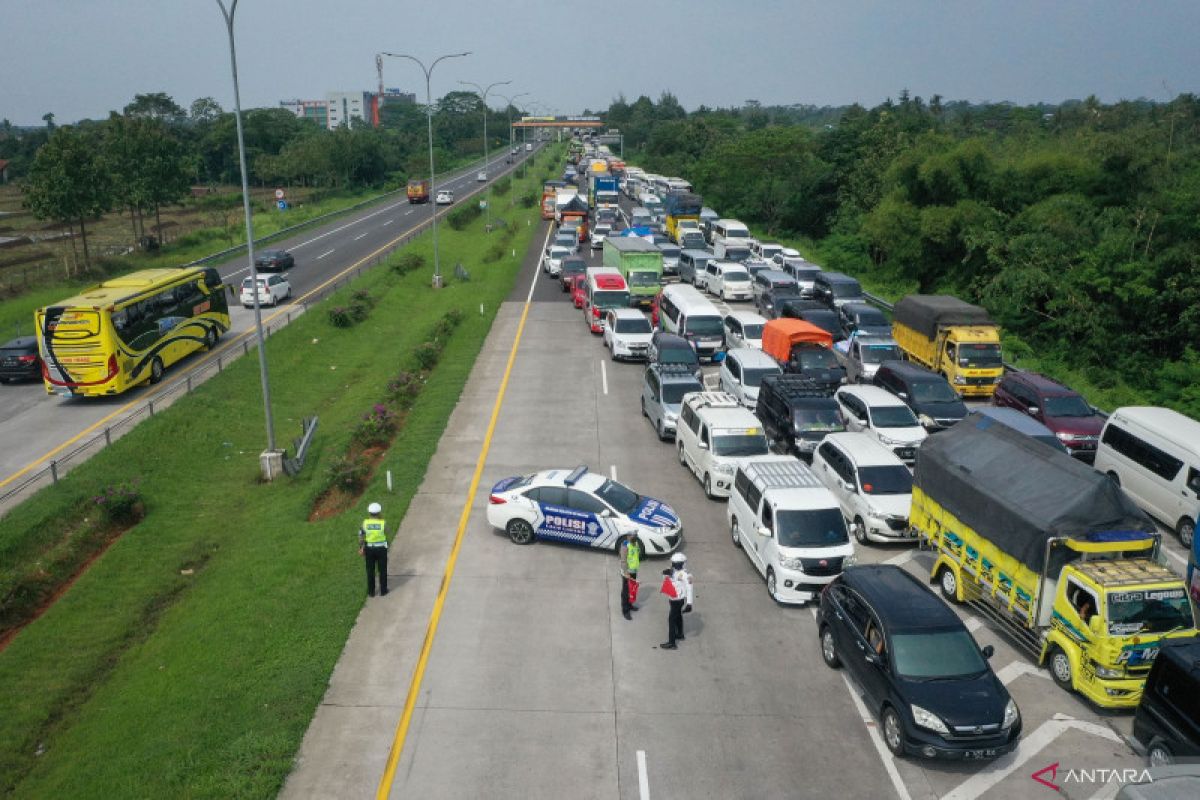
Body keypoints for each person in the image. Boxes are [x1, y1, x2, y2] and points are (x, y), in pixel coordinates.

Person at [660, 552, 692, 650]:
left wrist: (689, 603)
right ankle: (680, 634)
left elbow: (689, 588)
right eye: (673, 563)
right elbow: (666, 578)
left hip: (678, 600)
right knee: (678, 617)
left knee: (671, 620)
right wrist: (665, 573)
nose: (674, 565)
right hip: (673, 599)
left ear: (682, 564)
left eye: (676, 563)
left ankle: (672, 642)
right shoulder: (672, 571)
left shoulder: (686, 575)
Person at [359, 502, 388, 597]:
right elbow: (388, 531)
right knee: (382, 570)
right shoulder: (382, 523)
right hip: (381, 549)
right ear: (379, 512)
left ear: (369, 512)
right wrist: (381, 519)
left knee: (370, 570)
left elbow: (361, 536)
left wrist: (361, 548)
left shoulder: (365, 523)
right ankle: (383, 590)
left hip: (369, 549)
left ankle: (371, 592)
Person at [618, 534, 641, 620]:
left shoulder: (635, 543)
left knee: (632, 590)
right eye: (632, 536)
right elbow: (623, 560)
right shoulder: (625, 546)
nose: (634, 537)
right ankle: (625, 610)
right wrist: (626, 572)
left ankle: (630, 605)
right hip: (627, 572)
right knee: (626, 591)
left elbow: (636, 555)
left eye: (635, 536)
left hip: (634, 570)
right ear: (627, 537)